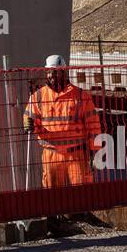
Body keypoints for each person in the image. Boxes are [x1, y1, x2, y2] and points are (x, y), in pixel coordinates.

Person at [23, 54, 102, 187]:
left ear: (63, 72)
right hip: (51, 155)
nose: (51, 76)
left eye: (55, 72)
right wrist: (28, 124)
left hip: (77, 155)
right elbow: (30, 119)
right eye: (49, 72)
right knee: (53, 198)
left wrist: (95, 152)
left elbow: (93, 126)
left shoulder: (81, 96)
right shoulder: (38, 96)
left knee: (82, 196)